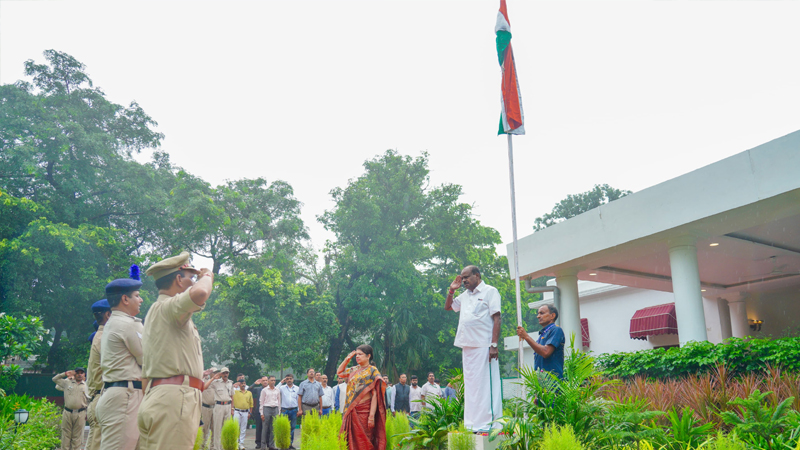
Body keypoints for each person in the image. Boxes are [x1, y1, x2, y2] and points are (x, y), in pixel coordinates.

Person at [137, 252, 214, 450]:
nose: (194, 281)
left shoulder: (156, 311)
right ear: (179, 279)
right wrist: (207, 276)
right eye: (191, 277)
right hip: (175, 399)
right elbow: (200, 294)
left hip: (159, 396)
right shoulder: (168, 307)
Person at [445, 265, 502, 432]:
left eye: (467, 277)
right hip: (467, 346)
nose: (463, 281)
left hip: (484, 346)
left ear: (477, 275)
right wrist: (451, 291)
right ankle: (472, 425)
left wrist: (494, 345)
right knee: (471, 388)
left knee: (486, 386)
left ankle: (490, 425)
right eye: (462, 278)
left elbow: (497, 319)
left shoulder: (490, 291)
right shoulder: (465, 295)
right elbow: (449, 307)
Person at [96, 277, 145, 450]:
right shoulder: (128, 324)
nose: (141, 300)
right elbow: (148, 359)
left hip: (120, 394)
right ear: (125, 299)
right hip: (126, 397)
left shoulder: (114, 322)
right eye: (137, 296)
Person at [336, 345, 387, 450]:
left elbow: (375, 395)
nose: (357, 356)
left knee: (365, 440)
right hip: (350, 409)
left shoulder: (372, 371)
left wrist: (371, 416)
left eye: (360, 354)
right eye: (356, 354)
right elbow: (340, 373)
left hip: (365, 412)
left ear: (368, 356)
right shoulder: (355, 369)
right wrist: (347, 359)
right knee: (349, 441)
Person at [85, 299, 111, 450]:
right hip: (101, 395)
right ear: (108, 315)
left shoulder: (101, 336)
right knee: (98, 442)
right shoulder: (103, 338)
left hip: (98, 397)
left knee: (95, 441)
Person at [516, 304, 566, 380]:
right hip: (542, 382)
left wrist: (526, 337)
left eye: (542, 313)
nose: (538, 316)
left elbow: (546, 352)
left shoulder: (556, 330)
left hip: (552, 383)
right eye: (538, 313)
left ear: (552, 315)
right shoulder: (542, 334)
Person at [53, 368, 88, 450]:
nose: (80, 374)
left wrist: (88, 413)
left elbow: (89, 400)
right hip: (68, 412)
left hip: (81, 413)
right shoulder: (67, 382)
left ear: (84, 375)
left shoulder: (87, 386)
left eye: (81, 373)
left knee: (77, 437)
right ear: (74, 374)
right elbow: (55, 379)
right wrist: (65, 374)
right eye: (78, 373)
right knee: (66, 435)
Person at [207, 367, 235, 450]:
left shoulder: (230, 383)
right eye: (224, 373)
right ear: (221, 374)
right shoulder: (216, 382)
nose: (225, 374)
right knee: (217, 428)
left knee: (225, 429)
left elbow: (232, 396)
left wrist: (232, 409)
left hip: (228, 406)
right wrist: (213, 378)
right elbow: (206, 386)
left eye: (227, 373)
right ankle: (216, 448)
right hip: (219, 406)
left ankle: (223, 447)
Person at [277, 374, 299, 447]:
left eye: (290, 378)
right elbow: (275, 389)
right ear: (285, 380)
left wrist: (299, 410)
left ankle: (290, 444)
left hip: (294, 410)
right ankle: (284, 444)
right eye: (287, 379)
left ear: (293, 379)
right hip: (284, 410)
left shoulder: (297, 388)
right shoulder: (282, 388)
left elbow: (298, 399)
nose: (289, 380)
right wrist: (281, 382)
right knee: (284, 428)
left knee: (292, 428)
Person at [260, 376, 281, 450]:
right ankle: (263, 446)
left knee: (273, 428)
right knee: (265, 428)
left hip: (275, 409)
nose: (273, 382)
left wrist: (279, 412)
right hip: (266, 408)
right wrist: (261, 413)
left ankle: (271, 445)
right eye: (271, 380)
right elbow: (261, 402)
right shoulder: (264, 390)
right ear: (268, 381)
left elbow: (279, 402)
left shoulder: (277, 390)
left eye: (274, 380)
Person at [233, 378, 253, 449]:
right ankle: (235, 443)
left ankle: (241, 443)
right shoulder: (235, 391)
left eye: (244, 383)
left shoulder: (249, 393)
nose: (243, 385)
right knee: (236, 427)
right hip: (237, 411)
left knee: (243, 428)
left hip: (245, 412)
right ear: (239, 384)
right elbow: (230, 392)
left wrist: (250, 412)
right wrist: (235, 384)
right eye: (241, 383)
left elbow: (251, 404)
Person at [200, 368, 218, 449]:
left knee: (214, 428)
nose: (215, 374)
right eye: (214, 373)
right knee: (205, 428)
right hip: (205, 407)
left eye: (216, 373)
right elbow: (203, 386)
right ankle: (203, 446)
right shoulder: (203, 380)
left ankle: (212, 446)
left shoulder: (218, 382)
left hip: (215, 407)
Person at [250, 377, 264, 449]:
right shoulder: (258, 389)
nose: (265, 382)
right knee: (259, 428)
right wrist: (254, 384)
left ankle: (267, 443)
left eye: (266, 380)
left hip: (268, 410)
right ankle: (258, 443)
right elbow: (249, 390)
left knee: (268, 428)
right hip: (258, 411)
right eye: (263, 380)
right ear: (261, 382)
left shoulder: (271, 389)